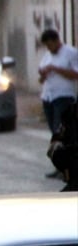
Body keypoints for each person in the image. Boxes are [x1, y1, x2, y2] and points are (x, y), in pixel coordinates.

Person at [38, 29, 78, 177]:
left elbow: (75, 74)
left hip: (64, 96)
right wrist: (43, 74)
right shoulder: (48, 55)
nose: (48, 49)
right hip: (48, 96)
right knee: (54, 134)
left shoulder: (71, 53)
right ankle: (59, 165)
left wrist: (55, 68)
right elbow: (41, 76)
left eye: (49, 45)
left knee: (62, 132)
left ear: (55, 41)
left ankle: (67, 167)